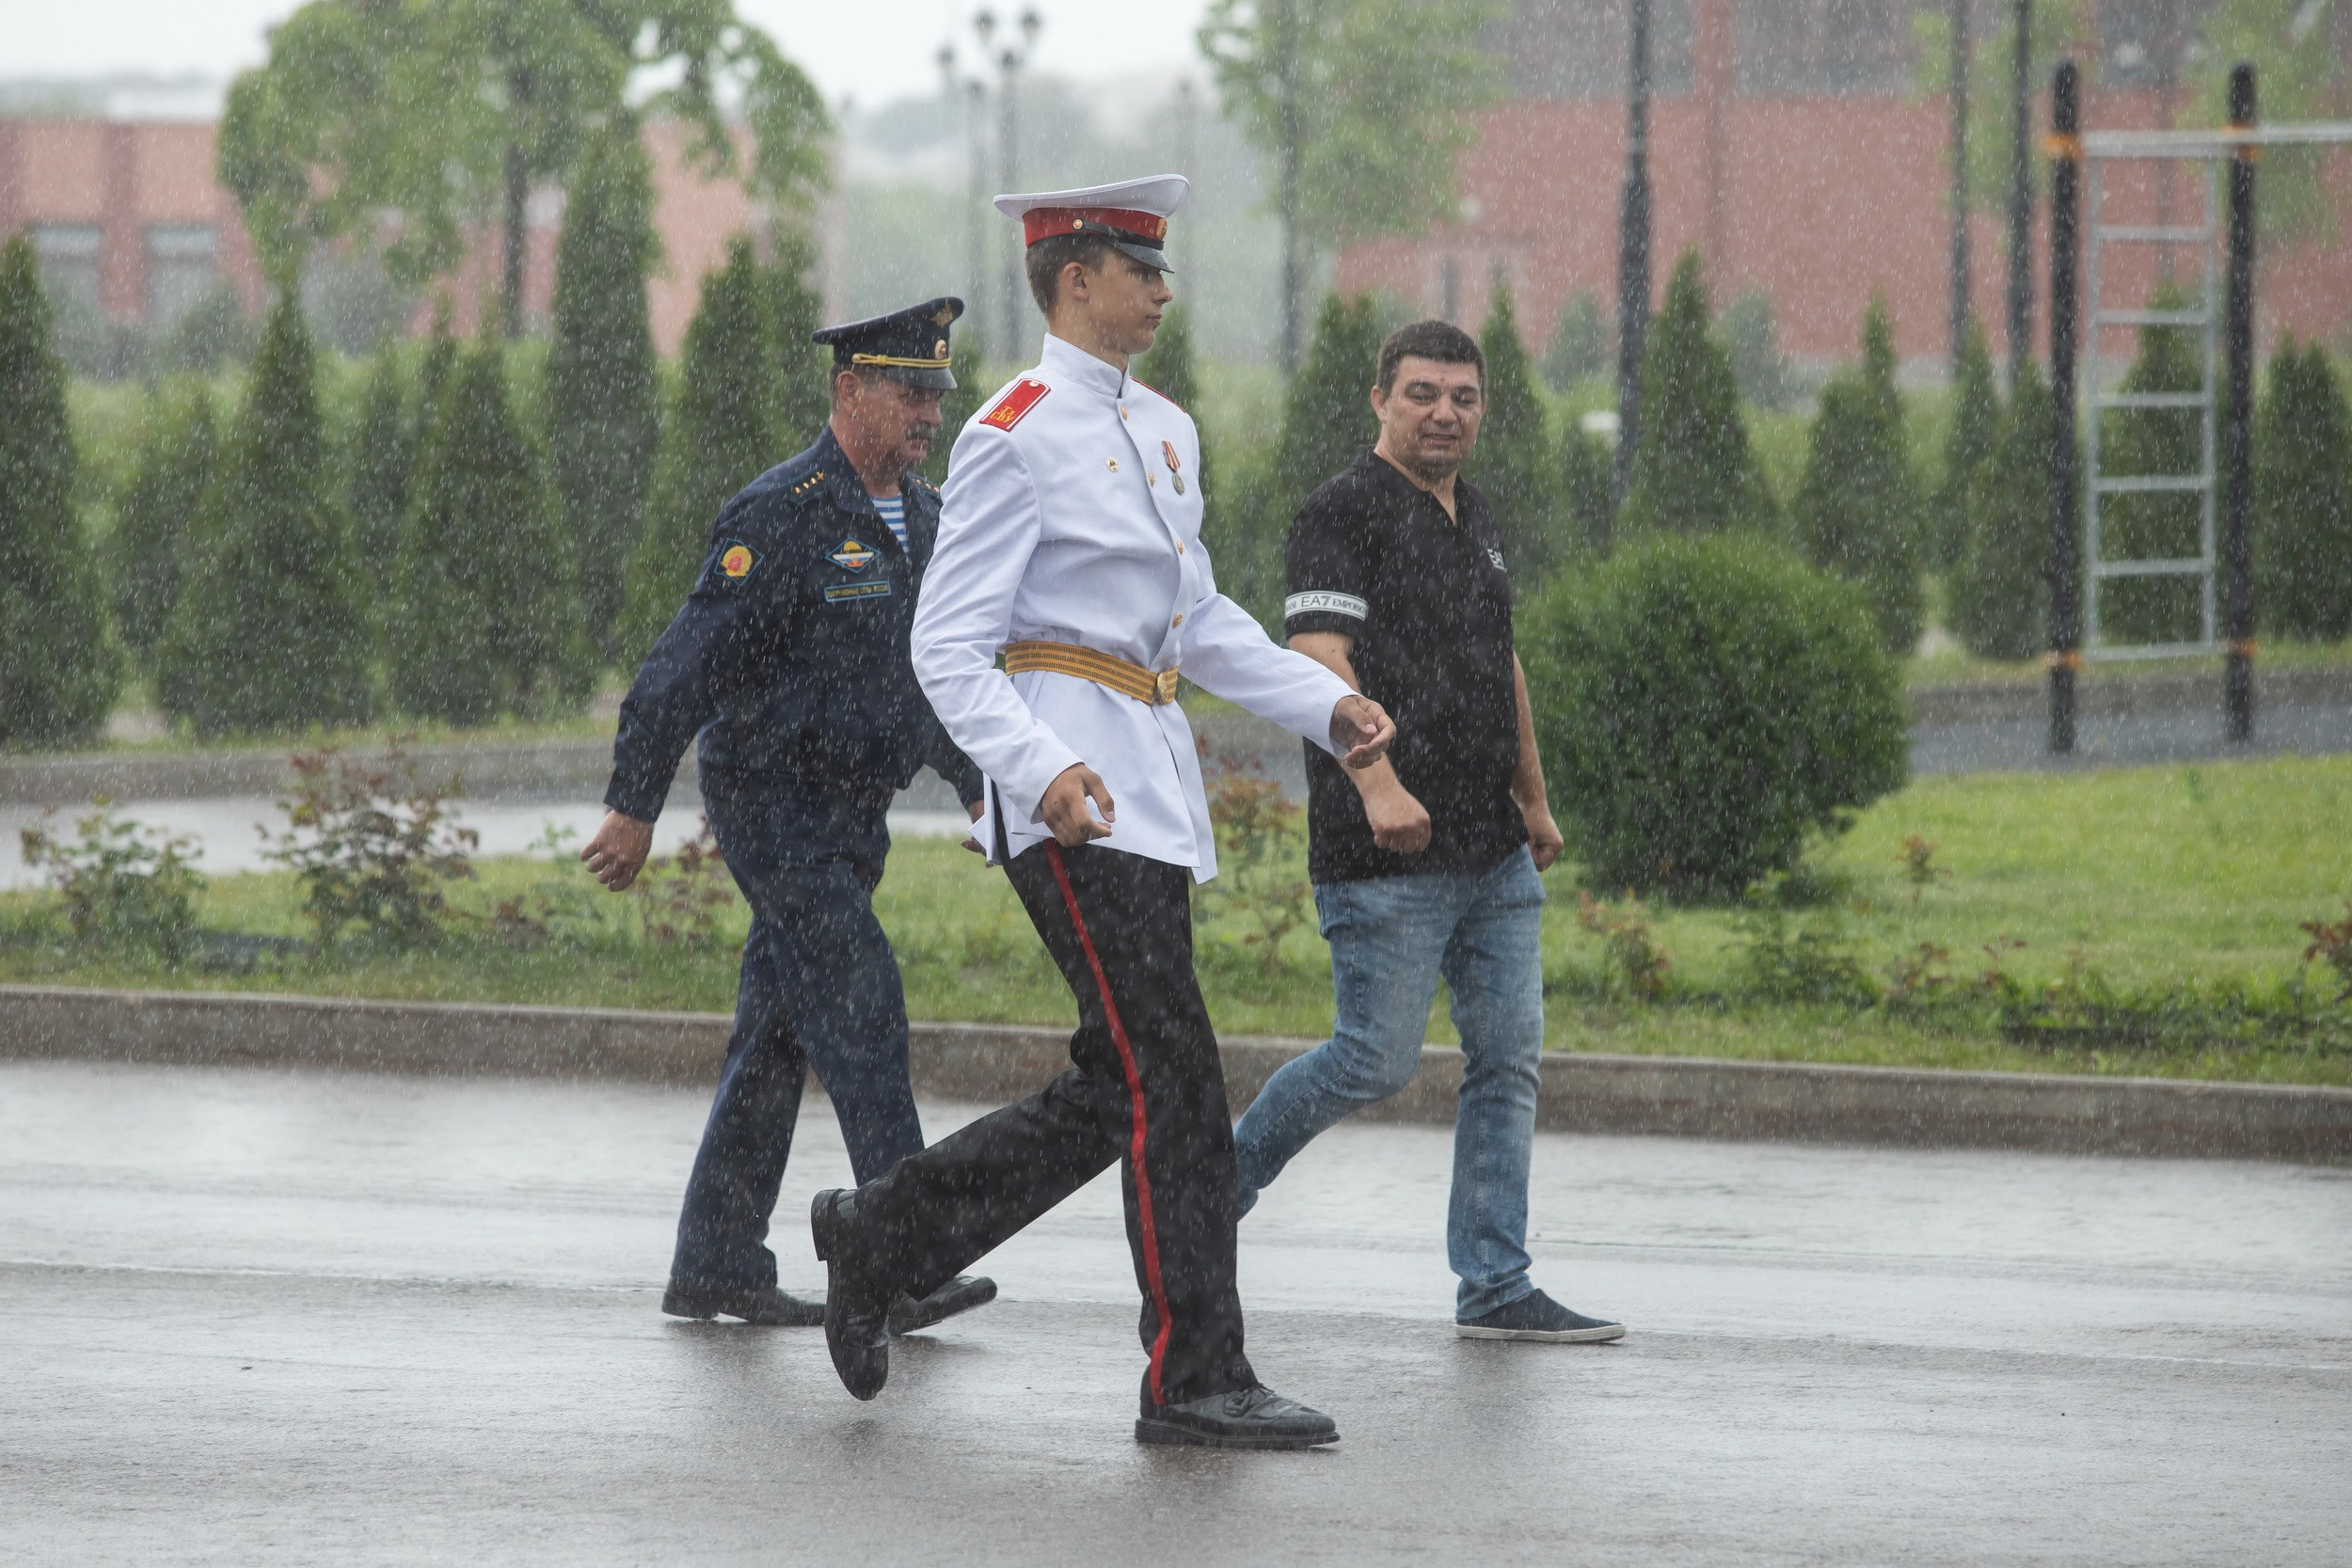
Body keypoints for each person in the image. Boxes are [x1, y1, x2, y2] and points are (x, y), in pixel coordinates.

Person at [803, 177, 1397, 1450]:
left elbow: (1197, 623)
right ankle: (1195, 1370)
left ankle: (883, 1229)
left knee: (1120, 1078)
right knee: (1173, 1071)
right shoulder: (1013, 432)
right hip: (1073, 794)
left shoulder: (1169, 430)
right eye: (1144, 268)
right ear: (1077, 276)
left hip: (1150, 783)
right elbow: (948, 646)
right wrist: (1038, 769)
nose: (1165, 290)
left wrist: (1324, 705)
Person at [580, 297, 997, 1336]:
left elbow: (930, 680)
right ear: (848, 389)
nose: (928, 413)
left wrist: (988, 789)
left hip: (854, 810)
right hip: (774, 801)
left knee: (776, 1032)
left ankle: (717, 1261)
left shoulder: (930, 518)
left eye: (938, 393)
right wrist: (633, 805)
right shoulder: (782, 511)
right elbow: (680, 669)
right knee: (860, 998)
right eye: (908, 390)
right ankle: (903, 1256)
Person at [1229, 320, 1627, 1346]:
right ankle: (1207, 1188)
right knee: (1372, 1057)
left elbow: (1503, 664)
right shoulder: (1340, 511)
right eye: (1421, 394)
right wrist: (1378, 784)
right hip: (1387, 850)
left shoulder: (1477, 516)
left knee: (1507, 1060)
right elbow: (1319, 657)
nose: (1443, 412)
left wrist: (1531, 799)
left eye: (1462, 396)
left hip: (1491, 851)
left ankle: (1495, 1283)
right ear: (1379, 401)